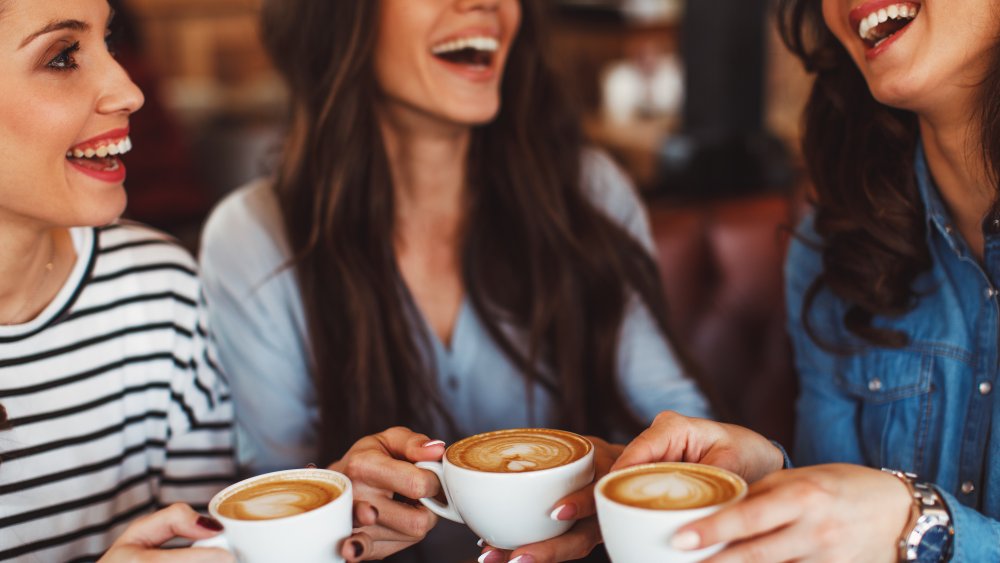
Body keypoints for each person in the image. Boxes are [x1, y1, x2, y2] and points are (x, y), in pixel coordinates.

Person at [199, 0, 711, 561]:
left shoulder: (588, 194)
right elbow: (271, 506)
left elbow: (687, 429)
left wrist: (631, 476)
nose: (486, 4)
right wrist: (338, 493)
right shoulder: (251, 239)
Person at [609, 0, 1000, 561]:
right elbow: (843, 518)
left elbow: (888, 520)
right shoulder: (835, 242)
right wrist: (773, 474)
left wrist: (920, 527)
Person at [0, 1, 373, 561]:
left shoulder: (157, 292)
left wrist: (328, 512)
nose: (130, 91)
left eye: (109, 42)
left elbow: (205, 545)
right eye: (62, 57)